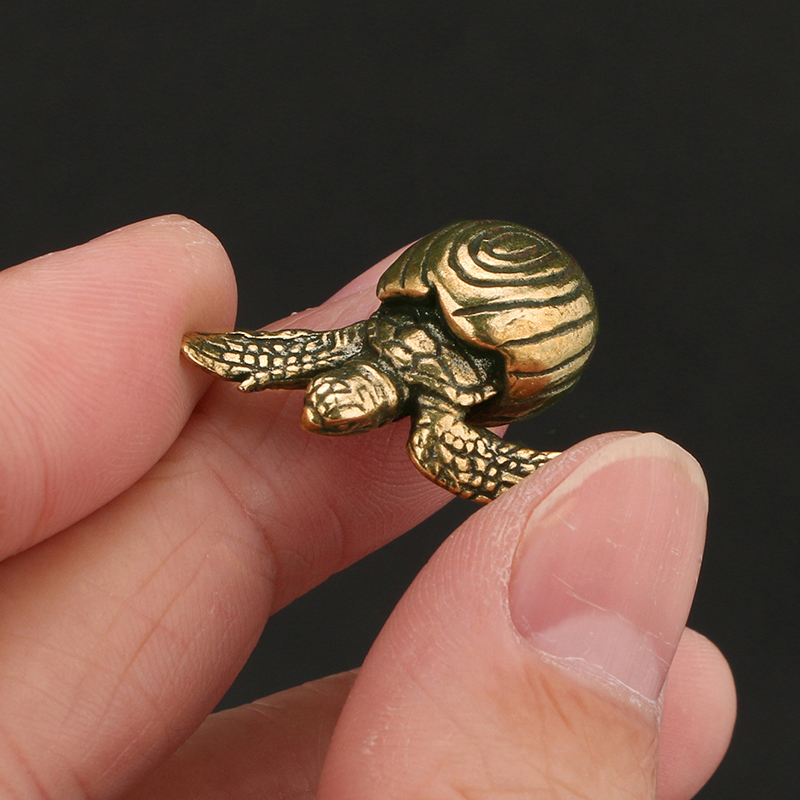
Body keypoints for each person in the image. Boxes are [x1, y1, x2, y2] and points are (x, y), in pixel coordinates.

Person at [0, 216, 736, 799]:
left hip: (521, 312)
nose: (322, 416)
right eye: (336, 407)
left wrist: (571, 491)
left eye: (336, 408)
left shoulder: (431, 425)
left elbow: (269, 353)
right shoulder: (404, 384)